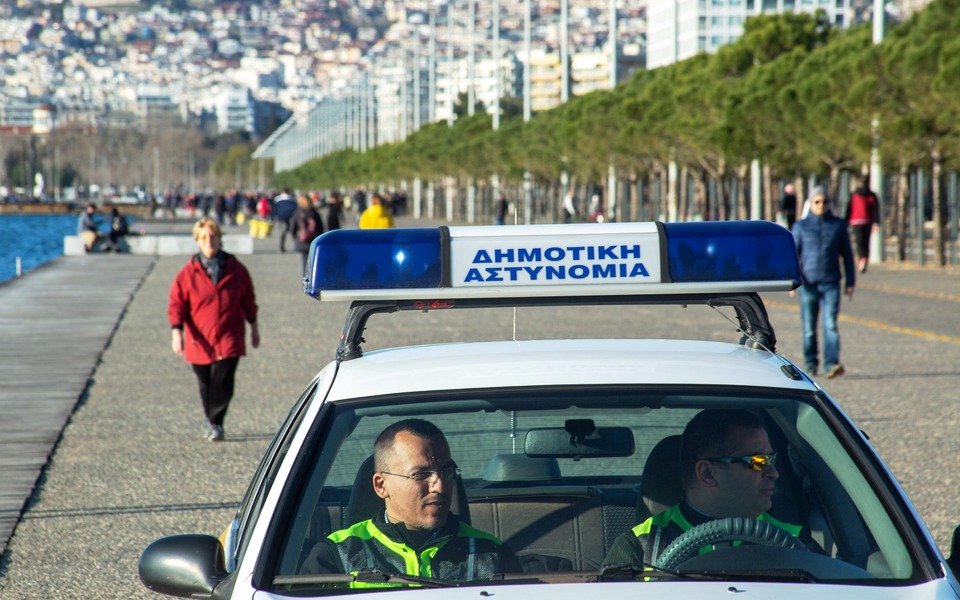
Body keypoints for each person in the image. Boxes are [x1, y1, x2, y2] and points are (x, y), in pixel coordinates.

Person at [301, 419, 521, 579]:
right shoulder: (335, 557)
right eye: (421, 474)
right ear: (381, 485)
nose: (440, 485)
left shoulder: (492, 555)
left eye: (446, 472)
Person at [603, 409, 803, 568]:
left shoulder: (792, 541)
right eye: (758, 461)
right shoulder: (641, 547)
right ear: (707, 473)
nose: (774, 473)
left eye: (771, 459)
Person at [168, 217, 259, 442]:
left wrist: (254, 327)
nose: (209, 242)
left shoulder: (236, 269)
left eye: (213, 237)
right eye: (204, 238)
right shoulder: (187, 274)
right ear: (198, 242)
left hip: (229, 337)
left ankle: (216, 422)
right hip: (200, 340)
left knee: (224, 382)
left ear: (220, 239)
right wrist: (176, 333)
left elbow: (248, 300)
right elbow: (176, 305)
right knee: (205, 383)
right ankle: (211, 419)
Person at [792, 186, 855, 379]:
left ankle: (831, 364)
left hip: (831, 282)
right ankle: (811, 363)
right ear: (810, 203)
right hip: (808, 283)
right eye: (817, 202)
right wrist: (791, 281)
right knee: (809, 328)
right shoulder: (801, 227)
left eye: (825, 202)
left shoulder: (837, 225)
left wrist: (850, 281)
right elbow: (793, 255)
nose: (821, 205)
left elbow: (847, 255)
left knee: (830, 325)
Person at [847, 175, 879, 274]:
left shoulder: (854, 194)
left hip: (856, 221)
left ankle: (862, 258)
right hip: (868, 221)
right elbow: (876, 210)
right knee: (866, 242)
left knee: (859, 242)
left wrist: (845, 221)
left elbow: (849, 208)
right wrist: (876, 222)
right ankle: (864, 258)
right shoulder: (872, 195)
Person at [290, 194, 324, 276]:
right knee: (313, 264)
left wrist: (296, 238)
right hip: (314, 242)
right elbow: (321, 228)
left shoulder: (297, 213)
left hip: (301, 242)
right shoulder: (315, 214)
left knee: (303, 264)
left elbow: (293, 229)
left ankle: (305, 283)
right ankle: (313, 282)